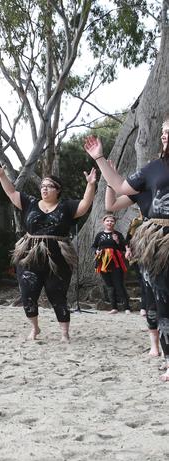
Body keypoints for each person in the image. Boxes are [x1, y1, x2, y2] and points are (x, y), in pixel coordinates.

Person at [85, 129, 169, 379]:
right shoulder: (153, 169)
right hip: (160, 241)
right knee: (163, 300)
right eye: (163, 133)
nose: (164, 136)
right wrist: (99, 159)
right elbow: (120, 186)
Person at [0, 163, 96, 342]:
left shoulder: (67, 207)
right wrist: (1, 175)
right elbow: (11, 193)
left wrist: (91, 185)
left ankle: (64, 333)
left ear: (58, 190)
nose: (44, 189)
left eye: (49, 186)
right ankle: (35, 328)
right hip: (30, 255)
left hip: (58, 257)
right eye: (42, 186)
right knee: (28, 293)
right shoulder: (30, 203)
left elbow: (85, 205)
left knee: (57, 293)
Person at [92, 213, 131, 314]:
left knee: (119, 284)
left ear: (114, 223)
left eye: (112, 221)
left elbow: (124, 247)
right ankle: (114, 308)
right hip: (103, 262)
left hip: (116, 262)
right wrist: (96, 251)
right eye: (108, 221)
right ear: (104, 222)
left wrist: (117, 241)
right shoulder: (99, 235)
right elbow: (94, 246)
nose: (110, 222)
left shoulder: (118, 234)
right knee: (109, 285)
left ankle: (127, 307)